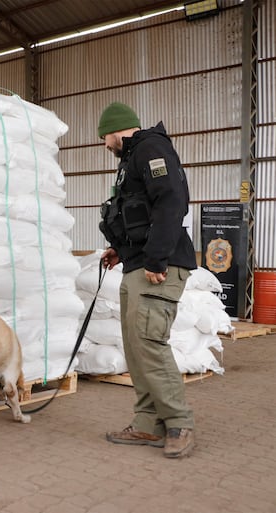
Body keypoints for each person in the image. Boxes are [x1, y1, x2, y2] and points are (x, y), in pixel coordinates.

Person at [97, 102, 197, 458]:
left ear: (115, 130)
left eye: (104, 138)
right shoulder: (132, 160)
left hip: (159, 266)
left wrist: (156, 258)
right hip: (137, 264)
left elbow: (171, 202)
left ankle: (178, 422)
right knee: (136, 347)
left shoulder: (151, 149)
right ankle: (146, 425)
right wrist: (121, 250)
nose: (106, 145)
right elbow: (139, 215)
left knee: (150, 343)